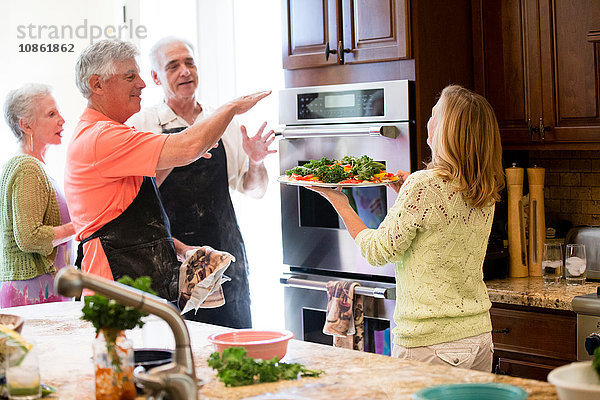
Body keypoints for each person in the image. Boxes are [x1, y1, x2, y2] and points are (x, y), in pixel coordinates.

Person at [309, 85, 504, 372]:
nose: (428, 121)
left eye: (435, 114)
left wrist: (339, 200)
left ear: (447, 130)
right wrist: (405, 195)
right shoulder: (484, 189)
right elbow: (441, 232)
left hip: (430, 345)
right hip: (478, 338)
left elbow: (377, 252)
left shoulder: (423, 184)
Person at [64, 39, 269, 301]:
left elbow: (135, 214)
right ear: (97, 84)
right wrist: (232, 107)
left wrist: (180, 249)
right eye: (130, 76)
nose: (141, 83)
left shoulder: (111, 132)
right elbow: (188, 146)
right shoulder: (101, 137)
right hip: (114, 281)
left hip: (143, 276)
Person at [127, 37, 276, 328]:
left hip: (225, 253)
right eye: (173, 66)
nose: (185, 71)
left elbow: (254, 190)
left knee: (234, 345)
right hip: (170, 258)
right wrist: (180, 152)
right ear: (156, 77)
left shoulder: (221, 121)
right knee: (180, 348)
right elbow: (133, 199)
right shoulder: (141, 125)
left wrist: (256, 161)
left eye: (189, 62)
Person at [0, 84, 76, 307]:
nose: (62, 120)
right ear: (26, 125)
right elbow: (30, 237)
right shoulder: (27, 168)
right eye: (51, 114)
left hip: (41, 287)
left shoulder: (36, 167)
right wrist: (79, 226)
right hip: (32, 291)